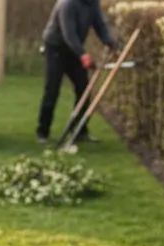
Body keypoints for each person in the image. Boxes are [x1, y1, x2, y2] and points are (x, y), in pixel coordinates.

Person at [37, 0, 120, 144]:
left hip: (74, 49)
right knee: (52, 89)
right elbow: (69, 33)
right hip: (56, 47)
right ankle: (43, 132)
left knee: (84, 89)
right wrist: (82, 54)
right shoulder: (67, 4)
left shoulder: (93, 3)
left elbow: (100, 25)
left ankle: (79, 131)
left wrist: (109, 41)